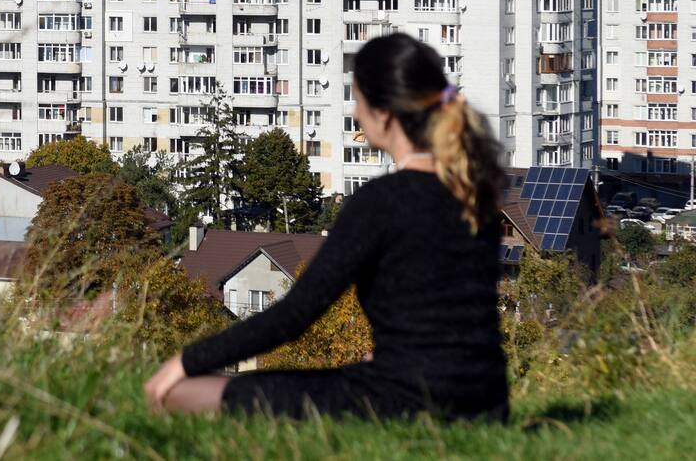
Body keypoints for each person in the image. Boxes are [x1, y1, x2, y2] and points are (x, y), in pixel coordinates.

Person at [144, 32, 509, 421]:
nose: (354, 113)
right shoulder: (477, 190)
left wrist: (184, 362)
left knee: (180, 393)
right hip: (487, 403)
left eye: (358, 100)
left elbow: (294, 317)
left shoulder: (382, 201)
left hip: (407, 400)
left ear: (384, 113)